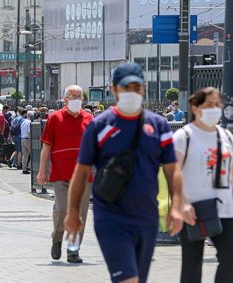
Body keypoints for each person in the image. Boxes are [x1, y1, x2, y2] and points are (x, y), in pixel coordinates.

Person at [65, 63, 185, 282]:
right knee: (127, 279)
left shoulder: (158, 126)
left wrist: (177, 206)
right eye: (125, 87)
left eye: (136, 87)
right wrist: (73, 212)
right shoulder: (99, 126)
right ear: (114, 89)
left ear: (144, 88)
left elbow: (172, 169)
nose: (131, 92)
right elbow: (81, 172)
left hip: (146, 218)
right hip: (111, 217)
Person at [173, 87, 233, 283]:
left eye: (217, 105)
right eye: (208, 105)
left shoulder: (226, 136)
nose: (214, 109)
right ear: (195, 107)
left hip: (225, 208)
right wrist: (182, 203)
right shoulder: (184, 136)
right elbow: (174, 172)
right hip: (194, 208)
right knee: (192, 265)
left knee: (229, 259)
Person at [37, 85, 93, 264]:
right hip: (61, 174)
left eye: (79, 96)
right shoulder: (55, 118)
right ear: (65, 99)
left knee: (80, 215)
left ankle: (73, 251)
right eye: (72, 96)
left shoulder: (89, 119)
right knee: (61, 211)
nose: (76, 99)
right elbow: (46, 147)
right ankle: (57, 239)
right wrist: (41, 171)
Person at [20, 109, 31, 174]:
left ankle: (24, 168)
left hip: (22, 139)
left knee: (25, 155)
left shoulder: (23, 122)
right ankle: (29, 166)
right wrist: (30, 141)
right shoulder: (29, 122)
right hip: (27, 139)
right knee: (33, 154)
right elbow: (29, 132)